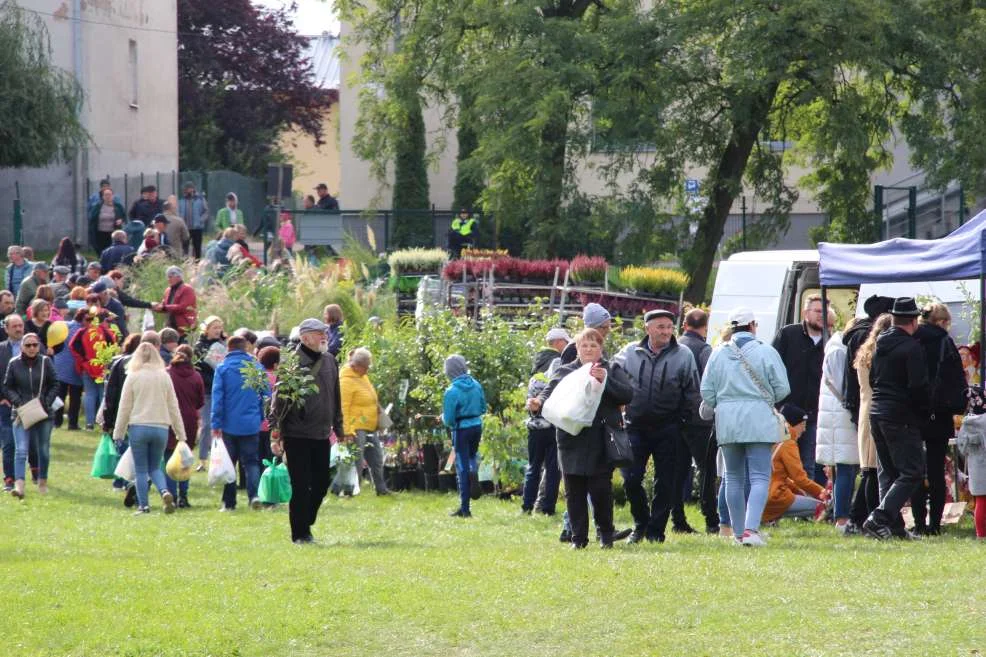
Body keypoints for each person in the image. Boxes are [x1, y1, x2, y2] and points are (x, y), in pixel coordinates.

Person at [533, 329, 634, 548]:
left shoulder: (611, 369)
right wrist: (536, 404)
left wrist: (605, 381)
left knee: (600, 489)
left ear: (601, 348)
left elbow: (627, 394)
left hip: (602, 437)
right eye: (584, 345)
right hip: (571, 439)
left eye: (594, 345)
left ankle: (606, 535)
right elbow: (548, 394)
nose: (589, 349)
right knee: (574, 490)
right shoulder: (565, 371)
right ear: (576, 348)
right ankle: (578, 539)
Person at [701, 307, 791, 547]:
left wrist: (726, 403)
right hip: (759, 417)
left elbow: (706, 392)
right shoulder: (765, 351)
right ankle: (752, 530)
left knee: (732, 477)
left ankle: (738, 533)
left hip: (728, 421)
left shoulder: (718, 353)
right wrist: (765, 399)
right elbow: (782, 388)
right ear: (752, 325)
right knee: (760, 475)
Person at [612, 309, 700, 543]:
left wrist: (686, 422)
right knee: (631, 478)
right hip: (634, 426)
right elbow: (613, 378)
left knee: (666, 482)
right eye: (660, 327)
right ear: (647, 328)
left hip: (669, 427)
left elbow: (692, 391)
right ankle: (641, 523)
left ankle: (655, 531)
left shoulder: (684, 355)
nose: (665, 331)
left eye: (670, 327)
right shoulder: (629, 352)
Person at [271, 318, 344, 544]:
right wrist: (276, 431)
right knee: (301, 485)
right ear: (305, 338)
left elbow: (336, 396)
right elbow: (279, 401)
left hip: (322, 433)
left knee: (322, 482)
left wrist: (339, 427)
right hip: (297, 434)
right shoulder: (292, 364)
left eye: (325, 332)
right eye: (319, 333)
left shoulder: (330, 361)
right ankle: (300, 534)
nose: (325, 335)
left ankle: (306, 518)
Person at [862, 297, 929, 540]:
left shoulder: (879, 344)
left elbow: (873, 380)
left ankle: (896, 528)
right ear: (913, 321)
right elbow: (918, 386)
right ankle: (879, 518)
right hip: (899, 414)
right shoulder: (912, 348)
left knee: (890, 473)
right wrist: (924, 413)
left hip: (877, 411)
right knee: (912, 471)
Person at [910, 302, 968, 535]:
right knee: (936, 471)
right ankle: (935, 524)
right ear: (943, 322)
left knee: (914, 470)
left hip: (914, 412)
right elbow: (956, 379)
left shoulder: (912, 339)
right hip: (940, 414)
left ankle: (918, 521)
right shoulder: (945, 342)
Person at [112, 343, 188, 514]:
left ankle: (143, 506)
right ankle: (165, 491)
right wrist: (180, 434)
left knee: (140, 469)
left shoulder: (133, 376)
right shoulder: (164, 376)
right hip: (161, 427)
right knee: (155, 467)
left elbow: (124, 407)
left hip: (138, 426)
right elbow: (173, 406)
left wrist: (118, 432)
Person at [211, 335, 270, 511]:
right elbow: (266, 396)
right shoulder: (257, 368)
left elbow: (218, 398)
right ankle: (254, 496)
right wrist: (260, 416)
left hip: (229, 424)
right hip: (251, 424)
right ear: (246, 348)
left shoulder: (222, 369)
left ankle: (229, 503)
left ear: (228, 349)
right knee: (251, 462)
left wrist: (216, 423)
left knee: (230, 463)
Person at [772, 294, 826, 485]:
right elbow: (773, 368)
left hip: (814, 413)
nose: (822, 315)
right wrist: (778, 405)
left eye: (825, 311)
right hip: (787, 411)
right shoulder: (788, 335)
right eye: (818, 311)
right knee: (782, 462)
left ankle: (806, 510)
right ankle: (780, 502)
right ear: (805, 312)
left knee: (808, 463)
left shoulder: (830, 341)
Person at [815, 315, 861, 533]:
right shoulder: (839, 351)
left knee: (845, 468)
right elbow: (843, 386)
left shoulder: (835, 348)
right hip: (840, 414)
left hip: (835, 414)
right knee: (845, 467)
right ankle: (841, 518)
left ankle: (841, 514)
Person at [677, 307, 720, 533]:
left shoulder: (674, 347)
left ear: (684, 325)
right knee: (706, 469)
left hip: (675, 417)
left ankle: (677, 519)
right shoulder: (704, 350)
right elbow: (710, 382)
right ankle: (711, 519)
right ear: (705, 327)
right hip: (699, 419)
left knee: (678, 468)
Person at [520, 327, 570, 515]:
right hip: (553, 426)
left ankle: (526, 506)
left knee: (533, 467)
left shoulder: (535, 373)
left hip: (535, 427)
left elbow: (530, 400)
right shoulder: (559, 371)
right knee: (552, 469)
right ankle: (548, 508)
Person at [2, 332, 58, 499]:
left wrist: (46, 402)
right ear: (22, 347)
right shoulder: (14, 363)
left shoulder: (46, 362)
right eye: (28, 345)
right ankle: (19, 486)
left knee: (43, 450)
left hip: (44, 413)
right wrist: (18, 402)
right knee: (21, 450)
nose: (32, 348)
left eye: (35, 345)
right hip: (20, 412)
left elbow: (55, 383)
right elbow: (7, 387)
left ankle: (42, 481)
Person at [101, 333, 148, 501]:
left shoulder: (119, 363)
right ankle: (131, 481)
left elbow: (111, 393)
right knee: (133, 450)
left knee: (121, 447)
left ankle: (120, 481)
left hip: (122, 411)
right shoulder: (147, 366)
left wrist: (108, 418)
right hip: (140, 413)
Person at [763, 404, 829, 522]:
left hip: (761, 494)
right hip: (775, 497)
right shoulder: (788, 443)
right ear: (793, 424)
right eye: (802, 425)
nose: (804, 430)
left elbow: (780, 476)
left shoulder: (773, 437)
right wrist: (823, 493)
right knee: (825, 507)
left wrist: (800, 493)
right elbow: (800, 479)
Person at [339, 347, 390, 496]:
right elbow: (343, 407)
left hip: (370, 425)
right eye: (365, 367)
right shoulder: (345, 381)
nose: (367, 370)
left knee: (377, 458)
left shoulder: (362, 376)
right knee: (357, 461)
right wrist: (347, 431)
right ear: (356, 365)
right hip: (356, 427)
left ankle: (381, 489)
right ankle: (351, 491)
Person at [442, 354, 487, 518]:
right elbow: (483, 408)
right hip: (476, 426)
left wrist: (442, 418)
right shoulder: (476, 384)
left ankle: (465, 509)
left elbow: (448, 420)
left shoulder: (451, 391)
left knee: (461, 466)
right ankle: (473, 470)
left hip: (461, 430)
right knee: (471, 458)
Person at [165, 344, 204, 508]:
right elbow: (200, 401)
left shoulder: (167, 374)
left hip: (169, 418)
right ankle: (184, 496)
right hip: (189, 420)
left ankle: (172, 494)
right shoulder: (196, 376)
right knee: (185, 458)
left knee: (169, 457)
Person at [69, 307, 118, 430]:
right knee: (103, 394)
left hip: (88, 366)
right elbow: (113, 348)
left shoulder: (83, 332)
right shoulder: (107, 333)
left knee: (90, 394)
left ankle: (89, 423)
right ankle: (103, 422)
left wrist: (82, 361)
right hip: (102, 367)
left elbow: (72, 346)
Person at [194, 316, 227, 468]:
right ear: (206, 329)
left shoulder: (223, 345)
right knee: (207, 425)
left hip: (222, 390)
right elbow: (198, 369)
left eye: (219, 328)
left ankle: (221, 458)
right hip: (206, 390)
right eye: (214, 327)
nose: (218, 331)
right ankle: (202, 460)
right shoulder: (199, 347)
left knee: (223, 424)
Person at [0, 315, 24, 490]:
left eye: (20, 325)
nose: (18, 329)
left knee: (31, 444)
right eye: (14, 326)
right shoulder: (1, 350)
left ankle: (36, 473)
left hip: (30, 403)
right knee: (9, 442)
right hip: (6, 404)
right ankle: (9, 478)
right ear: (6, 329)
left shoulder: (33, 347)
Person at [52, 309, 83, 431]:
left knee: (59, 396)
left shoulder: (64, 326)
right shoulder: (82, 330)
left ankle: (56, 421)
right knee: (75, 397)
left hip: (60, 365)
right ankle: (73, 423)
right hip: (75, 367)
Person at [152, 266, 196, 341]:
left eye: (170, 277)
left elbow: (183, 307)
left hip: (184, 328)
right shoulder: (168, 290)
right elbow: (164, 306)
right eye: (168, 277)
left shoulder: (187, 289)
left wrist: (164, 307)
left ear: (178, 276)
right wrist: (155, 307)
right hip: (170, 328)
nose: (168, 279)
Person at [177, 182, 210, 259]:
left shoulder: (200, 199)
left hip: (197, 228)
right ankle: (186, 263)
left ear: (193, 189)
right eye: (186, 189)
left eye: (190, 188)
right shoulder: (181, 200)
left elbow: (206, 211)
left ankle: (197, 263)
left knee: (197, 247)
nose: (188, 190)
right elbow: (178, 212)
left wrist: (200, 220)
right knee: (185, 247)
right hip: (185, 228)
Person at [89, 187, 126, 253]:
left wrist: (121, 220)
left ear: (113, 196)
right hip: (100, 233)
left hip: (113, 233)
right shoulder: (97, 207)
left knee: (112, 250)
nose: (108, 196)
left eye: (110, 194)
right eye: (106, 195)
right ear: (102, 197)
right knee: (101, 250)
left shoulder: (118, 206)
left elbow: (124, 216)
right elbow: (92, 218)